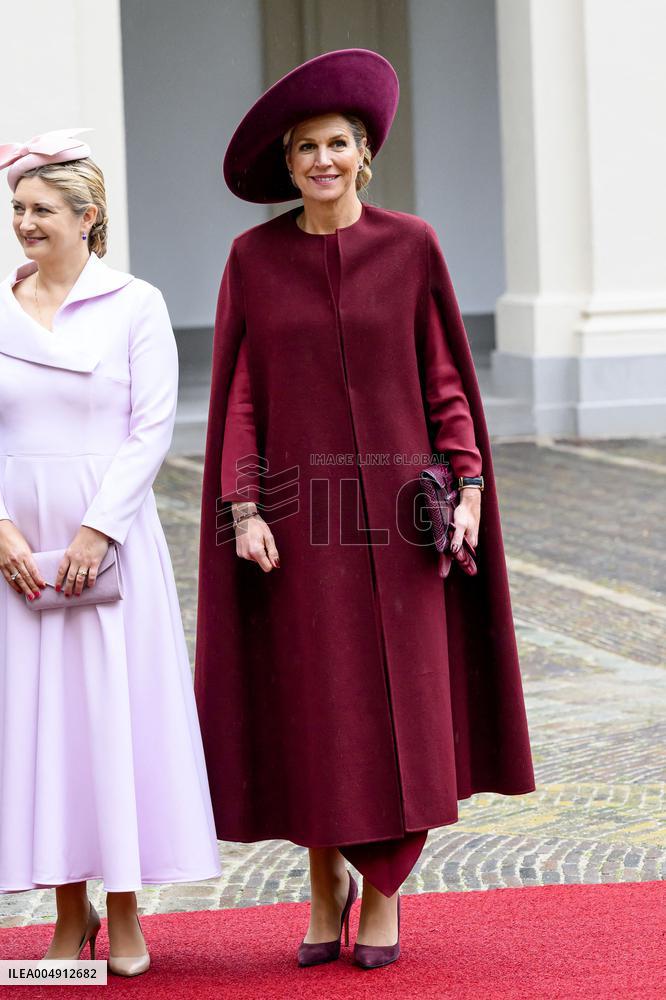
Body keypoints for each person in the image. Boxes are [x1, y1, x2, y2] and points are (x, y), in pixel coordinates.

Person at [195, 49, 535, 970]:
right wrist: (244, 507)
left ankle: (381, 895)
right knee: (319, 707)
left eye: (337, 143)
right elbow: (243, 399)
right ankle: (321, 882)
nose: (322, 160)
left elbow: (444, 381)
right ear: (287, 163)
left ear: (364, 153)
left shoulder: (411, 245)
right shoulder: (253, 260)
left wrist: (466, 485)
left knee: (402, 710)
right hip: (301, 524)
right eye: (306, 148)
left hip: (402, 519)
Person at [0, 130, 221, 976]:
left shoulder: (136, 303)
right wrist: (2, 527)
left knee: (113, 722)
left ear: (88, 218)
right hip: (18, 545)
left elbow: (152, 426)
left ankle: (125, 912)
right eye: (17, 208)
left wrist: (99, 530)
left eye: (41, 209)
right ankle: (65, 915)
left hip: (111, 539)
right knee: (41, 727)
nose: (23, 223)